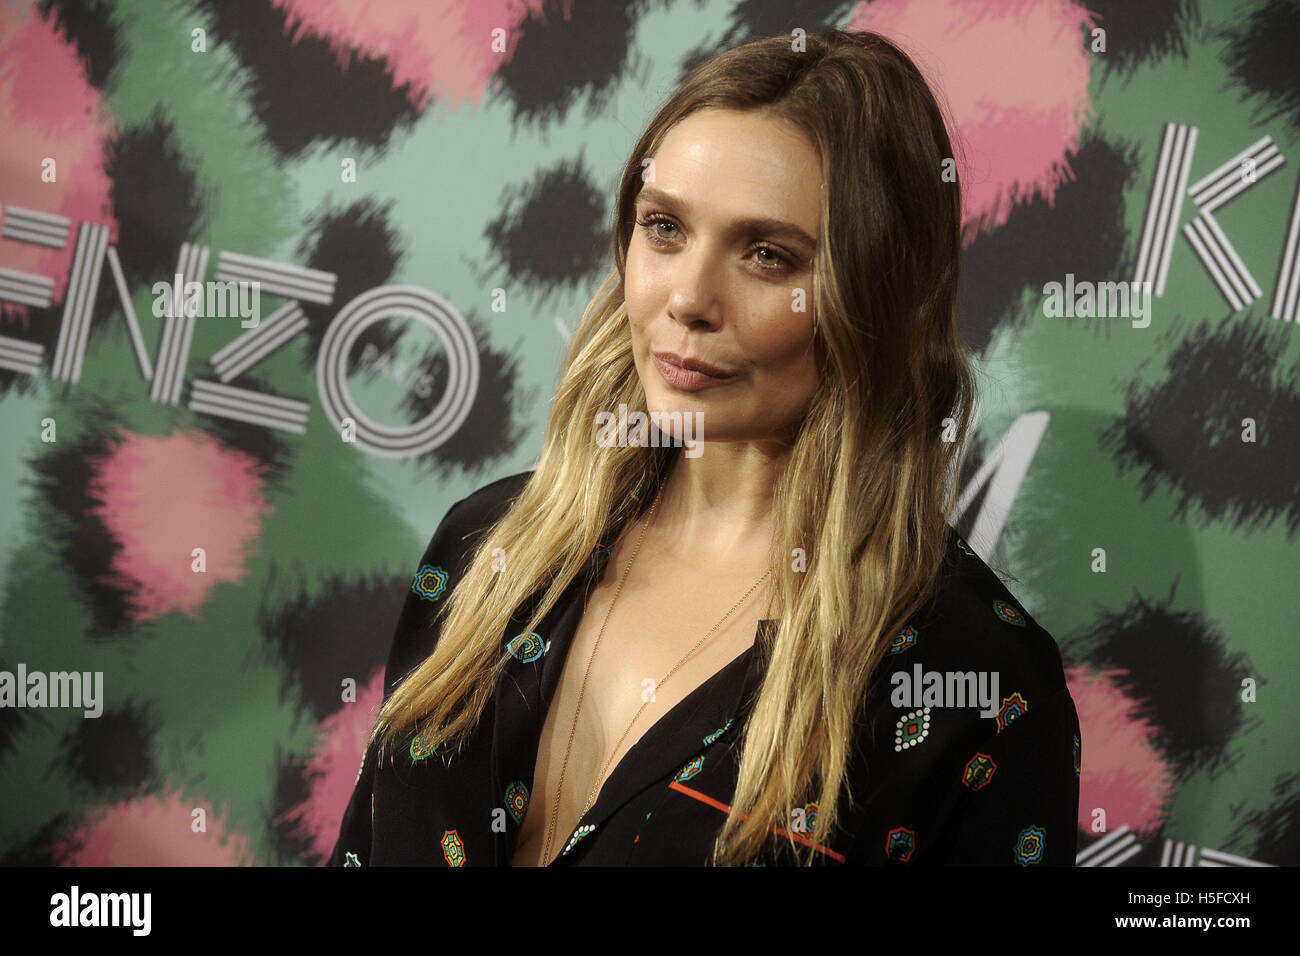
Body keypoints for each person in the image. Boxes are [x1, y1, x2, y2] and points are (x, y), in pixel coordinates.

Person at [329, 28, 1080, 867]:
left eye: (767, 255)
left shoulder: (975, 683)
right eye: (664, 228)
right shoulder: (484, 546)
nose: (688, 297)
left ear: (880, 294)